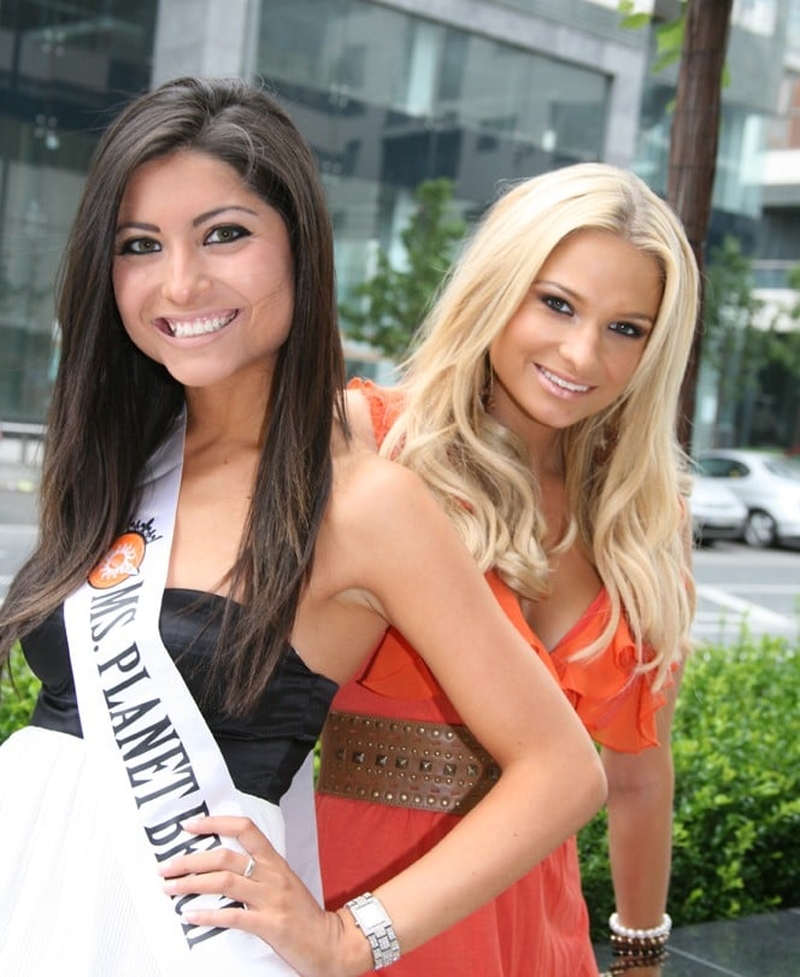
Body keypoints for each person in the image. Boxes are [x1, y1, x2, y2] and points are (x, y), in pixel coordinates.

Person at [0, 77, 606, 976]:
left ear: (299, 248)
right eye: (140, 244)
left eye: (225, 234)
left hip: (184, 948)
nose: (180, 280)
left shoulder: (365, 503)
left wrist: (352, 938)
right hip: (34, 904)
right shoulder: (125, 459)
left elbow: (565, 770)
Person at [316, 163, 699, 976]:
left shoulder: (640, 520)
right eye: (556, 303)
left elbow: (635, 781)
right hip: (365, 903)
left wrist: (639, 954)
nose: (581, 351)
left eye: (626, 328)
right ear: (498, 286)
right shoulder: (370, 441)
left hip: (539, 930)